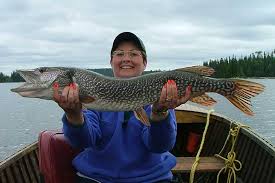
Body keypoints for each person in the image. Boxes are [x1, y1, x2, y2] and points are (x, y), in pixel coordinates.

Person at [53, 32, 191, 183]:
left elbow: (159, 146)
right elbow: (83, 142)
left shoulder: (162, 96)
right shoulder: (92, 95)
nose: (126, 58)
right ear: (111, 61)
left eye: (133, 53)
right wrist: (74, 116)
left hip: (151, 179)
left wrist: (159, 113)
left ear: (144, 62)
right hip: (97, 179)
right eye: (119, 53)